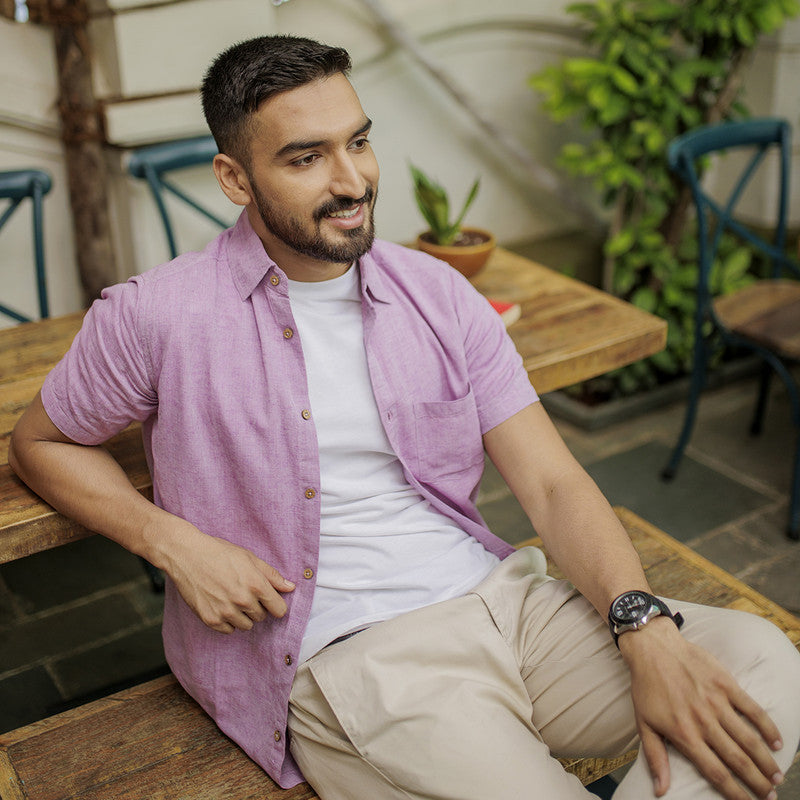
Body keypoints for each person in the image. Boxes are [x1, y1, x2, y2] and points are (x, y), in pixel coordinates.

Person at [8, 34, 800, 800]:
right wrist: (172, 543)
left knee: (762, 663)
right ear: (235, 178)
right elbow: (39, 442)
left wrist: (643, 629)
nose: (352, 181)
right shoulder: (158, 315)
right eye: (306, 157)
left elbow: (553, 485)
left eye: (358, 142)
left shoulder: (438, 293)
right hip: (354, 657)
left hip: (505, 604)